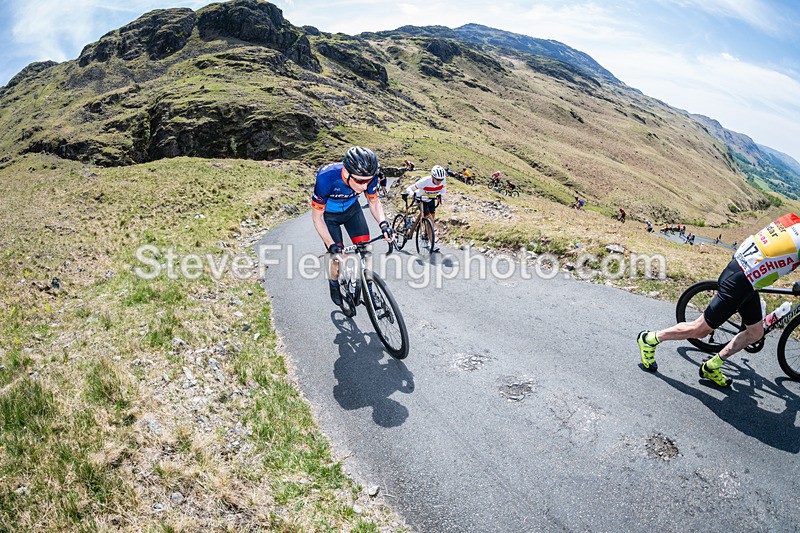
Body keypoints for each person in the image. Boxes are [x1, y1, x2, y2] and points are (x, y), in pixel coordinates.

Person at [637, 213, 800, 387]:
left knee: (756, 333)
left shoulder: (792, 219)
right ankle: (650, 339)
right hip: (742, 281)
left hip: (744, 273)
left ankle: (713, 366)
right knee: (700, 330)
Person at [312, 146, 394, 306]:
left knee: (366, 250)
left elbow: (374, 202)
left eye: (368, 181)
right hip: (329, 217)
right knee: (336, 257)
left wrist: (383, 224)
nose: (364, 186)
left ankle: (369, 291)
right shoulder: (326, 178)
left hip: (352, 211)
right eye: (360, 181)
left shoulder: (369, 177)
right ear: (346, 172)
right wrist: (331, 245)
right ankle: (334, 284)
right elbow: (317, 218)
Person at [402, 165, 447, 252]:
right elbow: (409, 188)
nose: (439, 181)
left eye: (441, 180)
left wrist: (440, 195)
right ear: (432, 177)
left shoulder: (443, 180)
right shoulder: (425, 181)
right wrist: (413, 195)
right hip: (421, 199)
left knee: (431, 220)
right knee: (430, 220)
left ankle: (425, 235)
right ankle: (432, 244)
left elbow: (443, 190)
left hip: (431, 199)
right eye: (437, 179)